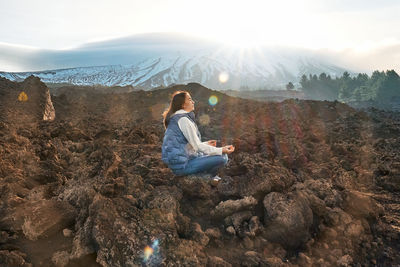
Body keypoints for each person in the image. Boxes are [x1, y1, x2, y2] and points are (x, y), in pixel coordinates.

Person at [161, 91, 235, 185]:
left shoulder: (176, 118)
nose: (193, 102)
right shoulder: (183, 120)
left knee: (212, 153)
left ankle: (203, 176)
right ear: (183, 105)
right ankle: (206, 178)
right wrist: (221, 150)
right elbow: (197, 147)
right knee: (223, 157)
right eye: (190, 99)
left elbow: (185, 145)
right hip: (183, 166)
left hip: (179, 163)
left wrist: (206, 144)